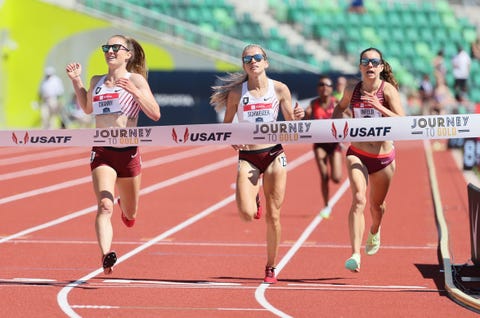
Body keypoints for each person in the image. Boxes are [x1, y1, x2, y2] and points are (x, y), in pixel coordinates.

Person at [65, 35, 161, 274]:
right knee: (104, 206)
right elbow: (87, 109)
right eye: (107, 47)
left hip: (128, 153)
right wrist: (77, 82)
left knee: (130, 213)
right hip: (102, 152)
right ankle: (106, 255)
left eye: (116, 48)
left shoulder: (136, 79)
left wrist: (135, 93)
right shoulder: (97, 80)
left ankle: (126, 210)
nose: (110, 51)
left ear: (127, 54)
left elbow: (155, 114)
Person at [210, 44, 304, 284]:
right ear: (244, 65)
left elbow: (292, 126)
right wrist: (232, 138)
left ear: (266, 62)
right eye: (247, 58)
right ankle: (255, 199)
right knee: (246, 212)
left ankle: (271, 266)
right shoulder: (236, 94)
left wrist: (298, 117)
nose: (253, 61)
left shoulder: (280, 89)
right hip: (248, 157)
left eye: (257, 57)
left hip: (273, 153)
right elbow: (227, 125)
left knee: (274, 216)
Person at [332, 47, 405, 272]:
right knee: (359, 199)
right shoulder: (352, 90)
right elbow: (339, 109)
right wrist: (338, 126)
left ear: (381, 67)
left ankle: (375, 230)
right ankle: (355, 254)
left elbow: (403, 121)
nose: (370, 65)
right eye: (366, 61)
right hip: (358, 153)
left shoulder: (388, 90)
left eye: (374, 62)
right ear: (361, 66)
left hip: (383, 158)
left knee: (377, 206)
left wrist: (379, 107)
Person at [304, 76, 342, 218]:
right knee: (324, 176)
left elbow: (350, 117)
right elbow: (305, 120)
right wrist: (304, 116)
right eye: (321, 84)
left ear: (332, 89)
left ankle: (327, 203)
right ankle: (326, 205)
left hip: (334, 144)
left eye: (327, 85)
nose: (324, 87)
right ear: (318, 88)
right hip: (320, 144)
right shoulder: (313, 104)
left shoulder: (336, 102)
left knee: (336, 178)